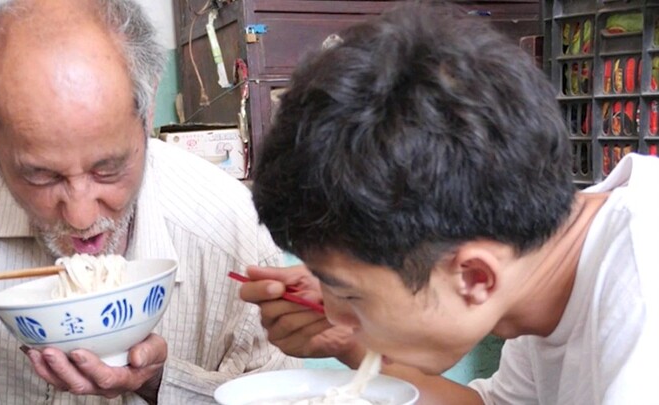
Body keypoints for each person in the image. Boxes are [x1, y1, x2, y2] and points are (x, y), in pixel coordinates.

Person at [239, 2, 658, 404]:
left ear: (475, 277)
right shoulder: (537, 265)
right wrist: (355, 336)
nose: (332, 314)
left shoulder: (643, 279)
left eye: (349, 297)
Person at [0, 0, 300, 403]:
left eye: (107, 169)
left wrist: (161, 382)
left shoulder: (232, 232)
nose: (80, 216)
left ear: (145, 116)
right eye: (40, 176)